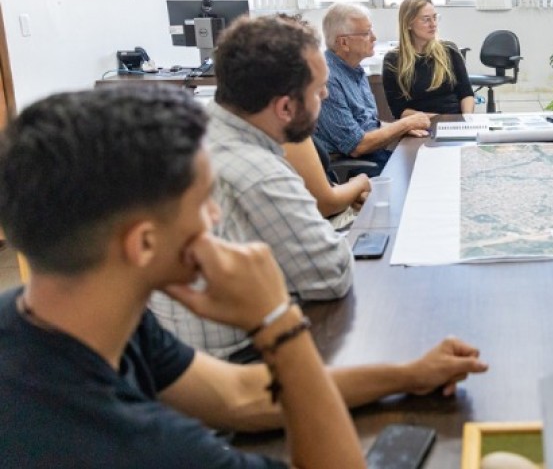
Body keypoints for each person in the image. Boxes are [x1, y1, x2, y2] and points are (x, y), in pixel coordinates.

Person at [0, 84, 365, 467]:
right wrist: (279, 322)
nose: (215, 216)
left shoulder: (56, 314)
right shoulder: (145, 448)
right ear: (144, 244)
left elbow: (239, 394)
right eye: (205, 201)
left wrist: (404, 375)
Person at [149, 20, 488, 399]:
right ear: (285, 108)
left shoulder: (198, 130)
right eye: (319, 89)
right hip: (239, 362)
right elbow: (331, 275)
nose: (326, 95)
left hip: (187, 356)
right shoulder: (259, 172)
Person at [314, 3, 431, 176]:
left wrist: (402, 129)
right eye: (366, 33)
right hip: (352, 165)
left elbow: (369, 124)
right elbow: (356, 145)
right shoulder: (329, 79)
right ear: (344, 42)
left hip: (372, 154)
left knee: (427, 162)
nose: (374, 37)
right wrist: (405, 123)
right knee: (420, 174)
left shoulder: (355, 68)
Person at [382, 0, 475, 118]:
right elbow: (399, 110)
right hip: (419, 123)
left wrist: (467, 119)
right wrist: (438, 120)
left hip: (454, 120)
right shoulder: (393, 60)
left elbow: (466, 94)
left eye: (435, 18)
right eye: (426, 19)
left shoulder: (449, 50)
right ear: (408, 23)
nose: (433, 24)